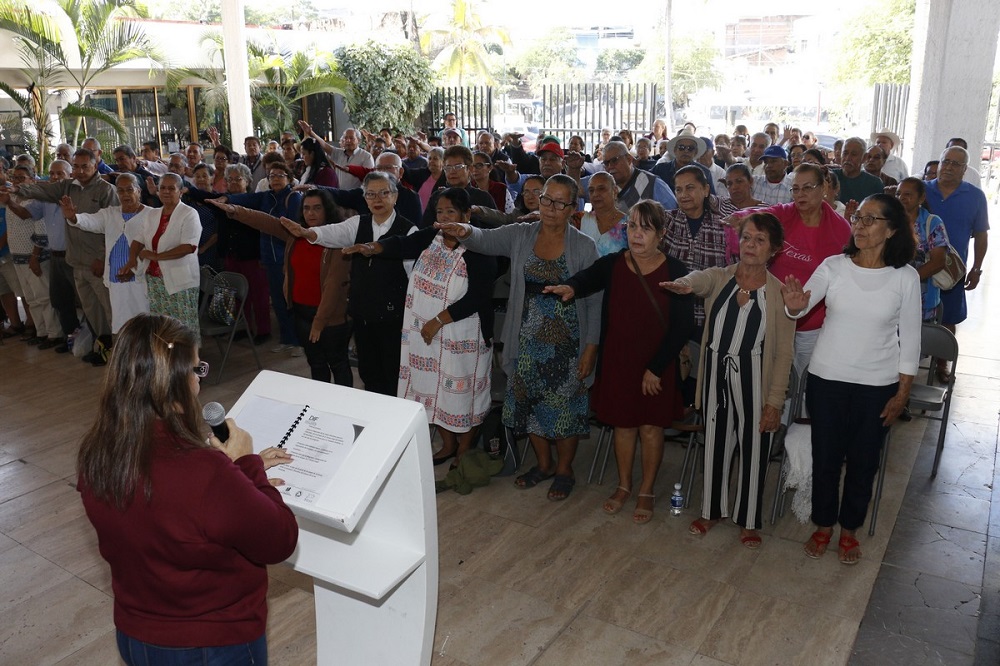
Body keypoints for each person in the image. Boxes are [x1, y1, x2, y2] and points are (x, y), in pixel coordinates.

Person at [77, 313, 297, 663]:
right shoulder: (205, 472)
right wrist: (245, 464)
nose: (199, 380)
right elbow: (280, 540)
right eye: (197, 369)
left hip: (136, 636)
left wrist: (232, 480)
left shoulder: (98, 453)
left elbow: (161, 514)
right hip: (211, 643)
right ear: (177, 380)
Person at [435, 175, 600, 501]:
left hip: (569, 344)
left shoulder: (584, 247)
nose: (550, 208)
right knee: (528, 403)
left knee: (565, 409)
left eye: (559, 203)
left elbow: (595, 301)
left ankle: (564, 469)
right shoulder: (522, 234)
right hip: (525, 339)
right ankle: (543, 464)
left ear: (573, 208)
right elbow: (486, 239)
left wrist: (591, 348)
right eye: (546, 199)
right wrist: (465, 230)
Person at [782, 194, 920, 564]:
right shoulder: (834, 266)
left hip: (878, 384)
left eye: (871, 219)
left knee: (864, 461)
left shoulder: (905, 277)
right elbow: (800, 304)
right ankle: (823, 525)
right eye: (858, 217)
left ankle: (850, 530)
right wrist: (793, 306)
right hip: (827, 379)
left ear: (891, 230)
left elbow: (911, 338)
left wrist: (903, 392)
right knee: (826, 457)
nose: (859, 225)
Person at [547, 200, 694, 523]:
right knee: (623, 427)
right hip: (619, 361)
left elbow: (683, 325)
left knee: (651, 429)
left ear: (661, 234)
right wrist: (571, 287)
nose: (637, 234)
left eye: (646, 228)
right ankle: (624, 485)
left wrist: (656, 368)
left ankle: (646, 490)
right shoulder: (614, 263)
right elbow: (587, 278)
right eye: (632, 227)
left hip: (657, 365)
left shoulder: (676, 271)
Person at [661, 212, 794, 548]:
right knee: (715, 444)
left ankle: (748, 520)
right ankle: (712, 510)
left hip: (755, 378)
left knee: (755, 448)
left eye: (760, 240)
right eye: (746, 237)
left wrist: (774, 402)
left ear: (774, 249)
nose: (750, 245)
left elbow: (783, 353)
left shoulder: (780, 294)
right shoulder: (721, 277)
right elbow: (700, 279)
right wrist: (686, 283)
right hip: (716, 374)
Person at [344, 188, 497, 466]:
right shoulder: (432, 235)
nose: (444, 217)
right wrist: (373, 247)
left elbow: (478, 297)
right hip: (425, 334)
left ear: (466, 214)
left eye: (451, 211)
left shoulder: (479, 245)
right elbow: (403, 243)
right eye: (440, 211)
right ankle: (448, 444)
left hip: (461, 336)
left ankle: (464, 448)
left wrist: (438, 321)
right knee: (431, 388)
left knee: (462, 394)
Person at [281, 172, 415, 396]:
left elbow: (412, 279)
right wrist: (308, 233)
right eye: (371, 194)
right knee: (368, 371)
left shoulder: (409, 230)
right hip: (362, 314)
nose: (377, 199)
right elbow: (333, 232)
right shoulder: (357, 223)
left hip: (393, 318)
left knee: (392, 371)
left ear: (395, 196)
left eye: (384, 193)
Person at [213, 189, 354, 386]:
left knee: (338, 363)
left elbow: (334, 285)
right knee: (316, 363)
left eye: (317, 208)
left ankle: (344, 404)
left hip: (331, 317)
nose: (311, 213)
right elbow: (267, 222)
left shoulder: (338, 241)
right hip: (302, 312)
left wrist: (319, 323)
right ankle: (320, 401)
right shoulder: (297, 234)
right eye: (306, 208)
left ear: (327, 210)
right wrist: (235, 210)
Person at [731, 164, 852, 385]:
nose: (800, 194)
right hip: (774, 314)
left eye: (807, 188)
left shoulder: (840, 229)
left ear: (824, 187)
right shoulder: (785, 214)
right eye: (795, 189)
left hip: (813, 321)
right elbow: (759, 215)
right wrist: (740, 216)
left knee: (806, 381)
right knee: (770, 379)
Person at [924, 146, 989, 379]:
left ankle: (942, 363)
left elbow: (981, 235)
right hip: (920, 266)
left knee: (949, 318)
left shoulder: (975, 196)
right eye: (946, 162)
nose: (949, 167)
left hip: (952, 271)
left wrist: (977, 269)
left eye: (955, 164)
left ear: (964, 169)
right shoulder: (922, 190)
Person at [59, 174, 151, 334]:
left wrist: (135, 269)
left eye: (129, 190)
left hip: (141, 280)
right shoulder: (110, 213)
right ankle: (123, 349)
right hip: (116, 279)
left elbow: (153, 249)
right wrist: (73, 217)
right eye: (120, 191)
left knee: (144, 323)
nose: (125, 194)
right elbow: (90, 221)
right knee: (121, 325)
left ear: (139, 191)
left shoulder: (151, 215)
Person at [121, 173, 202, 339]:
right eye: (162, 188)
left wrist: (156, 256)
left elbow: (188, 247)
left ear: (181, 191)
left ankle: (185, 355)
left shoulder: (189, 213)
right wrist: (131, 260)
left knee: (182, 327)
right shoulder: (153, 214)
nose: (166, 191)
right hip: (155, 280)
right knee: (160, 326)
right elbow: (138, 239)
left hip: (180, 281)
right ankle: (163, 354)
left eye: (171, 188)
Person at [661, 165, 738, 330]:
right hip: (670, 314)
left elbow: (734, 272)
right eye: (679, 190)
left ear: (706, 190)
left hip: (709, 317)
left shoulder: (724, 227)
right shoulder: (666, 221)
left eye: (690, 188)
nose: (683, 195)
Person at [897, 177, 950, 322]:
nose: (901, 198)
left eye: (908, 194)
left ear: (921, 198)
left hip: (922, 300)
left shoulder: (932, 223)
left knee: (918, 335)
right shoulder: (890, 221)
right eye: (898, 194)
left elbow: (938, 262)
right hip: (892, 296)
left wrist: (907, 282)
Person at [577, 171, 628, 256]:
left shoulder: (629, 224)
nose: (595, 194)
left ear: (615, 191)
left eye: (601, 189)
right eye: (591, 190)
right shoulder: (579, 220)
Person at [835, 138, 884, 204]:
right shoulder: (831, 177)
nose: (848, 158)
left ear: (864, 158)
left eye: (854, 154)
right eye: (845, 153)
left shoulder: (875, 184)